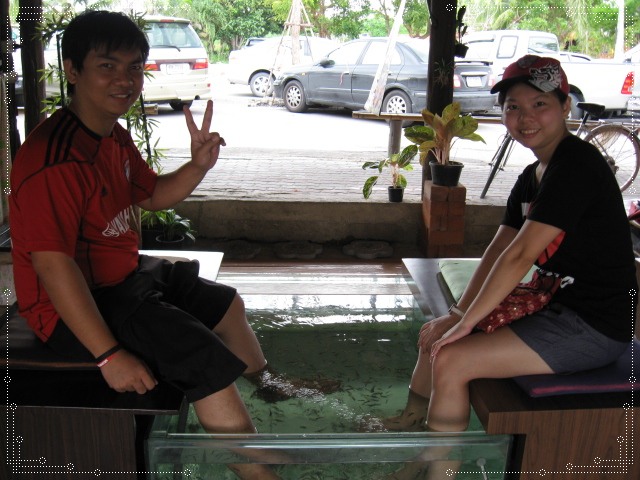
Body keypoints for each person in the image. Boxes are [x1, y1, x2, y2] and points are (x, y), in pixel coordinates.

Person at [9, 10, 337, 479]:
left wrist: (198, 165)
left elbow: (152, 195)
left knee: (226, 305)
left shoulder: (111, 135)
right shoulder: (56, 159)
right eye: (107, 66)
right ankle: (257, 470)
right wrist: (108, 355)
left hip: (122, 277)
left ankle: (265, 384)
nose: (125, 80)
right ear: (73, 71)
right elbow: (53, 267)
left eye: (134, 68)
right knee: (200, 356)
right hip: (74, 304)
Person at [383, 55, 637, 477]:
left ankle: (437, 468)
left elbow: (520, 256)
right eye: (513, 107)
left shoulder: (577, 166)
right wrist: (457, 315)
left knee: (453, 359)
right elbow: (499, 250)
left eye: (540, 104)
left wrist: (465, 324)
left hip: (594, 326)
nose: (526, 117)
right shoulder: (534, 174)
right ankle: (412, 421)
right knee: (437, 334)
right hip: (554, 307)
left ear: (565, 106)